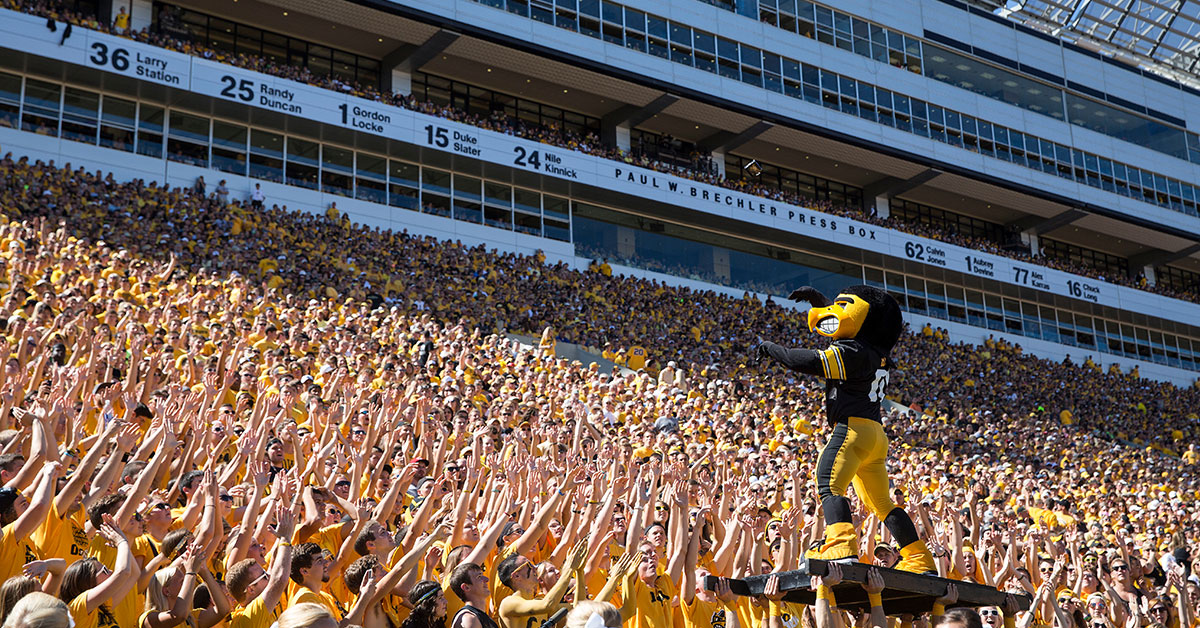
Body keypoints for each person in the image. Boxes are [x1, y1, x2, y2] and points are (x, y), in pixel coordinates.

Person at [447, 563, 497, 628]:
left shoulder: (478, 617)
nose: (486, 579)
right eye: (479, 577)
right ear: (466, 587)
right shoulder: (469, 619)